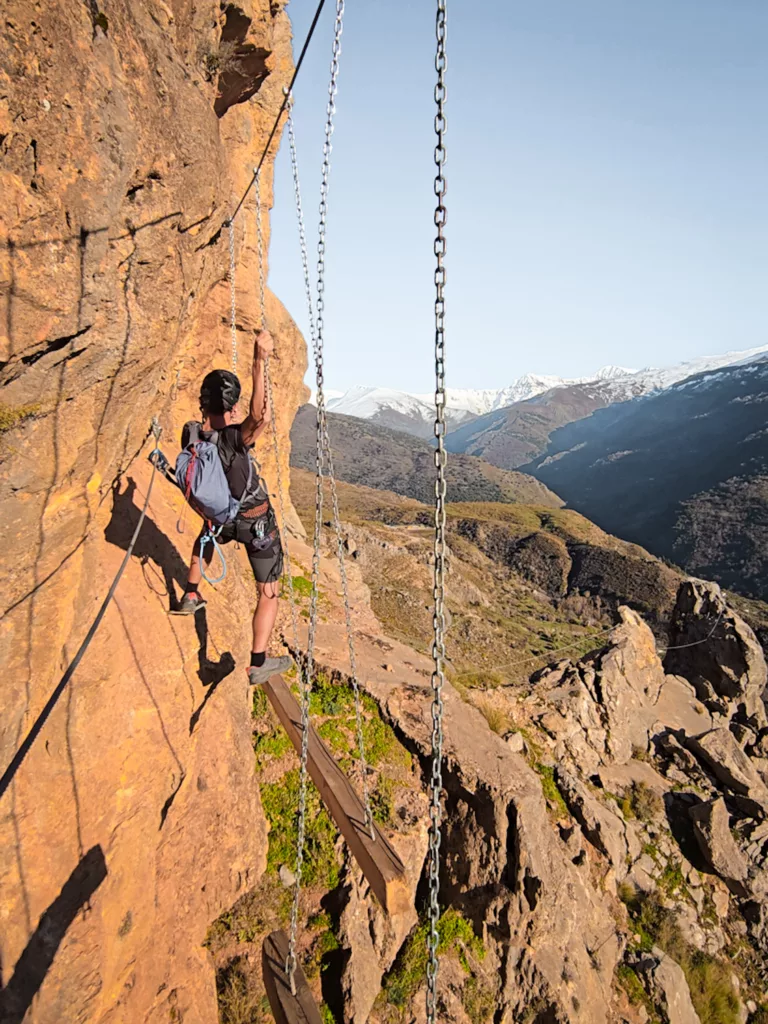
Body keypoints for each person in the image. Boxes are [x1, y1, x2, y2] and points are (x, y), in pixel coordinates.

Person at [172, 329, 292, 686]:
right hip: (255, 522)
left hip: (220, 519)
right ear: (233, 406)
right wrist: (258, 360)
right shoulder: (234, 439)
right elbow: (261, 416)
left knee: (205, 535)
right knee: (269, 591)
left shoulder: (192, 434)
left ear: (203, 403)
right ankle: (258, 662)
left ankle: (190, 593)